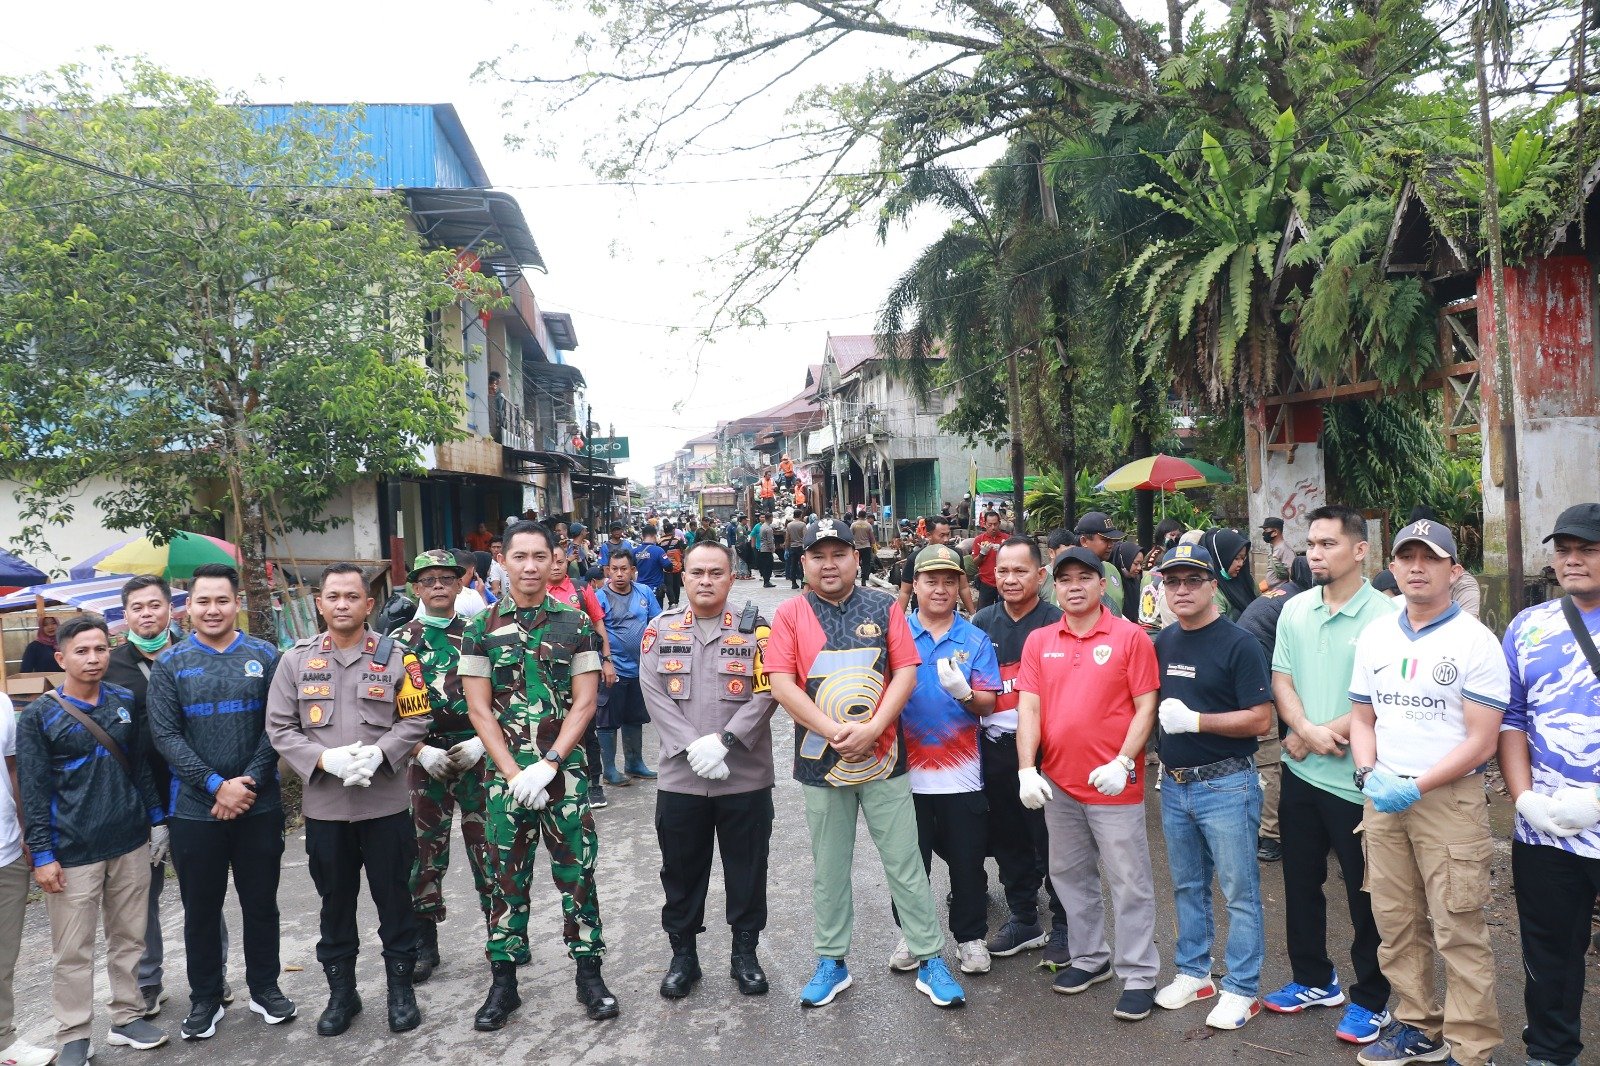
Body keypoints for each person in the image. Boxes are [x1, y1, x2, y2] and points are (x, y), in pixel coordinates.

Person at [766, 518, 966, 1010]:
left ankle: (929, 958)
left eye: (839, 554)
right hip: (820, 765)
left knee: (906, 865)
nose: (829, 564)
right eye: (818, 556)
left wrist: (874, 729)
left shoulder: (884, 606)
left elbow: (905, 672)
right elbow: (782, 683)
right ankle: (831, 961)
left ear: (858, 559)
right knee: (829, 869)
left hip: (886, 760)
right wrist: (834, 731)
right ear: (803, 561)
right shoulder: (790, 613)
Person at [1348, 519, 1507, 1066]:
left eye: (1431, 558)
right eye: (1406, 556)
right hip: (1383, 796)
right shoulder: (1376, 635)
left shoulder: (1476, 641)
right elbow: (1362, 717)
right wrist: (1371, 775)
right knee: (1396, 922)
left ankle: (1471, 1046)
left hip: (1448, 801)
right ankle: (1418, 1024)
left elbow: (1483, 740)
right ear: (1391, 567)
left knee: (1458, 927)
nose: (1417, 567)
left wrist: (1416, 784)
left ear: (1453, 570)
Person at [458, 521, 618, 1028]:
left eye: (539, 557)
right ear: (500, 559)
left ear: (556, 562)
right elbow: (479, 710)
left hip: (564, 776)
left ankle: (589, 975)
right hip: (503, 782)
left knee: (578, 873)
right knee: (504, 879)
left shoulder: (575, 624)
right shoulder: (480, 628)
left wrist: (548, 763)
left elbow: (585, 702)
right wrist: (511, 773)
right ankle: (503, 983)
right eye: (518, 556)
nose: (529, 566)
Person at [266, 562, 433, 1037]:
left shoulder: (398, 657)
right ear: (320, 603)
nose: (342, 604)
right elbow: (279, 727)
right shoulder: (295, 661)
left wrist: (382, 753)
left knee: (395, 900)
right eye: (333, 596)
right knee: (334, 904)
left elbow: (415, 721)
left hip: (385, 806)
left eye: (351, 597)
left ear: (368, 604)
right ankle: (343, 993)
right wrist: (324, 761)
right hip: (326, 810)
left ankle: (400, 990)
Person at [1261, 506, 1396, 1044]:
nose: (1314, 553)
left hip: (1355, 780)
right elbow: (1281, 676)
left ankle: (1373, 998)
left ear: (1360, 550)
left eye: (1327, 544)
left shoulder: (1385, 617)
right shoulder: (1294, 609)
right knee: (1299, 881)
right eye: (1310, 544)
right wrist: (1300, 728)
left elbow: (1384, 699)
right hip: (1301, 773)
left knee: (1365, 895)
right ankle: (1314, 979)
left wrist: (1318, 733)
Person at [147, 564, 294, 1040]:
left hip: (259, 805)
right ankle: (206, 998)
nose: (213, 610)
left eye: (222, 601)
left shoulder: (265, 655)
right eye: (203, 601)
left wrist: (245, 784)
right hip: (195, 810)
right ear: (188, 608)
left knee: (260, 902)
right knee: (201, 909)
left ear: (237, 604)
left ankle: (265, 987)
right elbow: (166, 736)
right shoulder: (170, 664)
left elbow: (278, 725)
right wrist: (215, 785)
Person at [1016, 546, 1161, 1020]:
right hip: (1059, 784)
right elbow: (1030, 709)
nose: (1074, 586)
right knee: (1070, 877)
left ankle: (1138, 974)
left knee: (1129, 881)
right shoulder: (1039, 641)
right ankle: (1089, 958)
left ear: (1103, 584)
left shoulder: (1130, 638)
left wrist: (1123, 761)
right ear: (1053, 587)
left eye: (1085, 577)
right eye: (1065, 579)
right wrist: (1026, 768)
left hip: (1114, 785)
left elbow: (1146, 706)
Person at [19, 616, 169, 1064]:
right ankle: (74, 1035)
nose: (93, 658)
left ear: (110, 651)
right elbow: (33, 789)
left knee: (129, 937)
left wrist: (157, 821)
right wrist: (42, 855)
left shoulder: (123, 700)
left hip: (129, 842)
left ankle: (127, 1016)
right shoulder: (39, 716)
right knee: (72, 950)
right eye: (82, 651)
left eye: (101, 649)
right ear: (61, 657)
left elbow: (140, 767)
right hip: (72, 851)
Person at [640, 540, 778, 998]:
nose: (705, 580)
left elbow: (769, 690)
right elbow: (654, 693)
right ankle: (684, 957)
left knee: (747, 868)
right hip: (681, 778)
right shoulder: (659, 631)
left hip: (744, 774)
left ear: (731, 576)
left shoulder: (756, 628)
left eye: (715, 572)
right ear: (683, 576)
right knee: (680, 870)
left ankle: (745, 953)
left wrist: (726, 742)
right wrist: (691, 746)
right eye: (697, 572)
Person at [1149, 543, 1273, 1032]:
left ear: (1212, 585)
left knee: (1239, 890)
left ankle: (1242, 988)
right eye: (1172, 581)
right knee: (1186, 885)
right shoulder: (1162, 643)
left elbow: (1261, 720)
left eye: (1192, 580)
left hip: (1226, 783)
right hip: (1175, 785)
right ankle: (1194, 973)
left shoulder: (1238, 643)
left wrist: (1197, 721)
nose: (1181, 590)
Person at [103, 575, 233, 1019]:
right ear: (125, 616)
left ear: (172, 609)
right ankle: (148, 983)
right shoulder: (112, 666)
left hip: (199, 790)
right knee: (142, 897)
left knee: (202, 891)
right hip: (140, 797)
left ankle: (214, 976)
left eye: (154, 605)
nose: (147, 614)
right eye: (137, 607)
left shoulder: (197, 653)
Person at [1498, 502, 1600, 1066]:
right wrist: (1525, 799)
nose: (1573, 560)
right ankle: (1550, 1053)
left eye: (1588, 548)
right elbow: (1512, 719)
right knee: (1550, 955)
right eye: (1564, 550)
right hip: (1547, 833)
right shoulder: (1528, 626)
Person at [892, 545, 1001, 976]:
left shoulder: (974, 638)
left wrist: (965, 694)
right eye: (930, 580)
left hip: (961, 774)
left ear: (960, 586)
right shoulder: (893, 635)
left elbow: (989, 703)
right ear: (914, 585)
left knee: (967, 860)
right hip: (902, 773)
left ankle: (971, 937)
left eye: (949, 581)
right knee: (908, 861)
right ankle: (913, 935)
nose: (940, 589)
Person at [388, 551, 493, 985]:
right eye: (427, 579)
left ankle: (501, 935)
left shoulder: (481, 633)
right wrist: (417, 752)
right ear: (415, 587)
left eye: (445, 578)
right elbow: (382, 709)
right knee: (422, 852)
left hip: (476, 754)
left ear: (459, 584)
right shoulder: (396, 642)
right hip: (423, 759)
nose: (437, 585)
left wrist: (483, 742)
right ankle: (424, 943)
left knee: (489, 848)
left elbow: (503, 696)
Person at [973, 537, 1070, 965]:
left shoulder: (1059, 623)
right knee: (1009, 835)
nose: (1010, 580)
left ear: (1040, 576)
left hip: (1050, 752)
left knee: (1056, 840)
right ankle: (1024, 917)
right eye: (1003, 572)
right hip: (995, 751)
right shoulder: (980, 623)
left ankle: (1068, 925)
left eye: (1020, 571)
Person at [1235, 555, 1314, 865]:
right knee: (1269, 763)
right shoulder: (1300, 605)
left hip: (1245, 680)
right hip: (1256, 685)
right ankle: (1271, 837)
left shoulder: (1281, 593)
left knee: (1258, 759)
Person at [0, 688, 51, 1066]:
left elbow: (14, 769)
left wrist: (27, 830)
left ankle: (4, 1043)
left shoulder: (2, 703)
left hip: (6, 851)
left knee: (3, 957)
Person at [595, 550, 659, 785]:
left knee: (635, 717)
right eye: (614, 569)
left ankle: (634, 763)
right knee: (608, 719)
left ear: (633, 571)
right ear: (607, 570)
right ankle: (609, 769)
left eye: (624, 569)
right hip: (613, 669)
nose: (619, 574)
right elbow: (594, 634)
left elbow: (656, 623)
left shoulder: (644, 592)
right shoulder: (599, 597)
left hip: (641, 669)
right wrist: (605, 662)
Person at [896, 517, 976, 615]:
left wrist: (973, 615)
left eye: (948, 534)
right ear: (929, 535)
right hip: (922, 613)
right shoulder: (916, 558)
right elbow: (905, 592)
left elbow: (963, 587)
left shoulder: (955, 556)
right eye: (942, 535)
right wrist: (897, 620)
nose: (946, 539)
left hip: (948, 610)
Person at [1074, 512, 1128, 614]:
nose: (1110, 545)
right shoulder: (1070, 573)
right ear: (1084, 541)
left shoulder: (1112, 570)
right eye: (1105, 540)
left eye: (1112, 541)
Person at [1202, 528, 1258, 620]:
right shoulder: (1214, 591)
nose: (1240, 563)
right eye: (1236, 558)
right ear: (1222, 557)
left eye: (1243, 558)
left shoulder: (1247, 581)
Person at [972, 511, 1009, 610]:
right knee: (982, 612)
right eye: (990, 524)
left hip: (1005, 581)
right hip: (986, 582)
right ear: (984, 525)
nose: (993, 527)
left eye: (995, 524)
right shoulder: (979, 540)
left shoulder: (1007, 539)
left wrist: (1004, 550)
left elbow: (1015, 559)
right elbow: (975, 563)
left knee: (1005, 611)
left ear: (999, 523)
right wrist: (982, 553)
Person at [1111, 541, 1145, 625]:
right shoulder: (1112, 583)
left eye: (1141, 564)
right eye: (1136, 563)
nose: (1139, 568)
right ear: (1125, 561)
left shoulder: (1135, 582)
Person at [452, 549, 489, 619]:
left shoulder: (439, 591)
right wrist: (481, 595)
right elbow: (487, 622)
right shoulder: (472, 596)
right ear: (473, 570)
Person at [1261, 518, 1297, 588]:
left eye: (1266, 530)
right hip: (1273, 592)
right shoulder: (1275, 547)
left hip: (1281, 593)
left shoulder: (1285, 549)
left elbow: (1293, 575)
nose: (1263, 534)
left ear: (1275, 532)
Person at [660, 521, 688, 609]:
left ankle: (671, 602)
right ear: (673, 530)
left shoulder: (660, 541)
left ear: (664, 531)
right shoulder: (678, 539)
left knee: (668, 585)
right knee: (676, 585)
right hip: (677, 566)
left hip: (665, 567)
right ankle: (676, 601)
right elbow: (684, 549)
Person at [749, 514, 776, 589]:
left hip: (762, 548)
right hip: (767, 549)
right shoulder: (768, 528)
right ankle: (767, 581)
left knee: (764, 565)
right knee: (768, 566)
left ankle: (766, 581)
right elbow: (770, 540)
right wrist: (772, 549)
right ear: (770, 518)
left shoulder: (762, 526)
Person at [851, 509, 877, 587]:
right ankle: (864, 580)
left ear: (858, 516)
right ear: (865, 516)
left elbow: (850, 536)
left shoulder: (854, 525)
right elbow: (872, 537)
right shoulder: (868, 525)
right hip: (866, 547)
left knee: (854, 563)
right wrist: (874, 546)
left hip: (856, 548)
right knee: (866, 564)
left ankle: (853, 580)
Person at [785, 511, 808, 589]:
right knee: (802, 565)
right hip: (801, 547)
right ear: (801, 515)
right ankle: (802, 582)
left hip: (793, 546)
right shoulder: (802, 525)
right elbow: (805, 536)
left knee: (793, 565)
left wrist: (787, 548)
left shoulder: (789, 525)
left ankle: (793, 583)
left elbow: (787, 538)